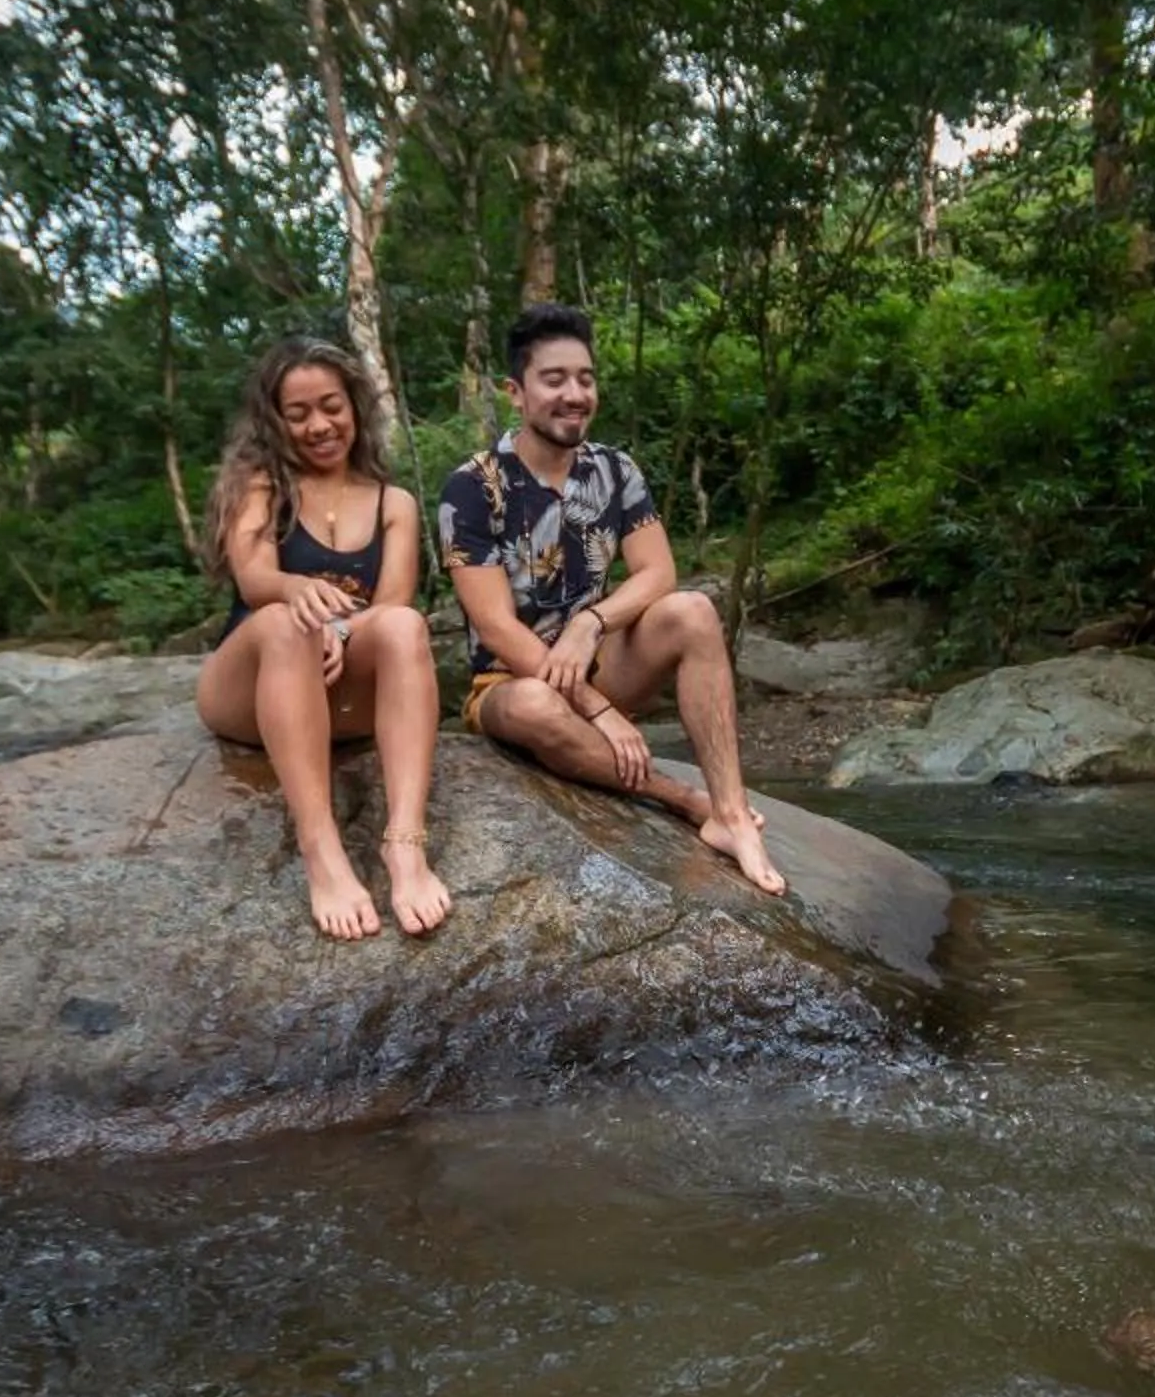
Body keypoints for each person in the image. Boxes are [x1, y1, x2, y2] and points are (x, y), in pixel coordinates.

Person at [439, 304, 786, 896]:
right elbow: (495, 628)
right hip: (508, 684)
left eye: (585, 378)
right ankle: (684, 801)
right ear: (516, 393)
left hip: (598, 662)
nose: (574, 394)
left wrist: (591, 623)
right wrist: (597, 709)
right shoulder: (473, 487)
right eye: (554, 380)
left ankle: (731, 814)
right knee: (532, 705)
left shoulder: (615, 470)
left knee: (693, 612)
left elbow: (658, 572)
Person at [193, 338, 453, 941]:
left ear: (356, 406)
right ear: (275, 421)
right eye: (298, 413)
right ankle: (323, 852)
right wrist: (298, 592)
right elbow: (254, 578)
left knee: (404, 627)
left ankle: (405, 846)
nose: (318, 425)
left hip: (340, 690)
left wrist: (342, 628)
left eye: (330, 406)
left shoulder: (396, 503)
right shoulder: (261, 484)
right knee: (290, 622)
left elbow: (391, 605)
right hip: (251, 688)